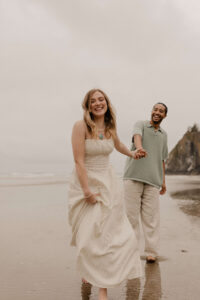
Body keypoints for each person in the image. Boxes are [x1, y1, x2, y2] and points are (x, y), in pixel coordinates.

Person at [68, 89, 144, 300]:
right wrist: (86, 191)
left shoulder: (109, 127)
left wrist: (132, 153)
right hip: (86, 183)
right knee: (89, 235)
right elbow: (78, 161)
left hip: (109, 184)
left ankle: (102, 289)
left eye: (101, 99)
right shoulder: (80, 126)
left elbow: (117, 144)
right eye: (93, 101)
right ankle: (89, 270)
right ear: (88, 106)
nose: (98, 103)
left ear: (107, 103)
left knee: (114, 235)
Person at [123, 103, 168, 263]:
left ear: (164, 116)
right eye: (155, 109)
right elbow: (137, 137)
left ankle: (151, 252)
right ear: (151, 111)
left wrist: (163, 181)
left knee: (151, 219)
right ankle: (131, 251)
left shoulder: (164, 135)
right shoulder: (140, 124)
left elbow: (162, 159)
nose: (157, 112)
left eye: (161, 111)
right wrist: (140, 148)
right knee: (131, 217)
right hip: (133, 177)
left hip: (153, 181)